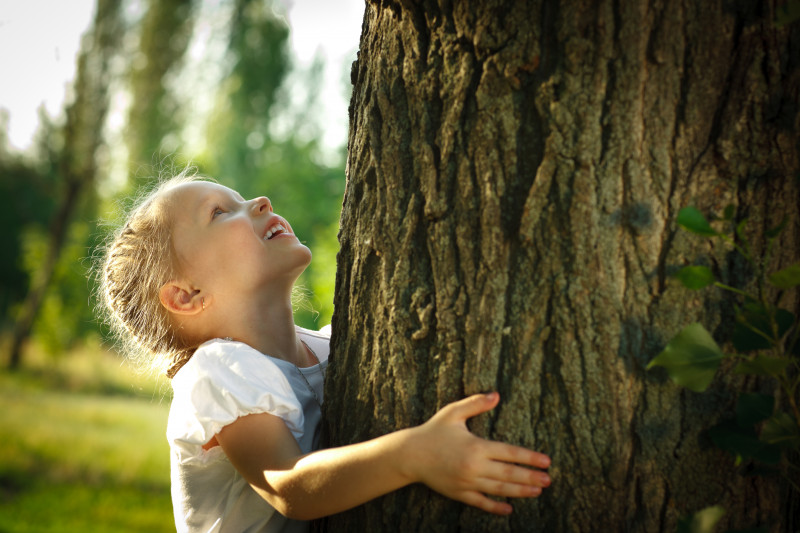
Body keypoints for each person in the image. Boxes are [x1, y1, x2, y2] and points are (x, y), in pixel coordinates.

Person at [97, 172, 552, 532]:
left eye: (239, 197)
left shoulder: (334, 345)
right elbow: (289, 486)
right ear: (187, 296)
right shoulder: (217, 374)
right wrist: (415, 455)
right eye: (220, 212)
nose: (259, 202)